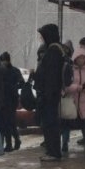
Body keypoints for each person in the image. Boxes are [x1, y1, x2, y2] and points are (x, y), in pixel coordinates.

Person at [34, 24, 65, 161]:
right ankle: (52, 151)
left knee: (50, 124)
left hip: (49, 96)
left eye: (42, 36)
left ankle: (53, 152)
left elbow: (51, 76)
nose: (41, 39)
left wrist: (46, 94)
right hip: (50, 94)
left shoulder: (53, 52)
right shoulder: (56, 50)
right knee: (50, 124)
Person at [65, 46, 85, 159]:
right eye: (80, 58)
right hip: (72, 102)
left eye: (84, 58)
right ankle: (63, 145)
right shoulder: (70, 69)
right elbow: (66, 86)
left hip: (84, 102)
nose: (82, 60)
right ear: (75, 58)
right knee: (66, 125)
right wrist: (78, 87)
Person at [0, 51, 22, 152]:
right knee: (9, 122)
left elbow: (21, 83)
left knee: (8, 122)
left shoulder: (5, 71)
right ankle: (15, 140)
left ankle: (10, 144)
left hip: (8, 99)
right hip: (10, 99)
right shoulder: (15, 70)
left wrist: (13, 87)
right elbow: (21, 83)